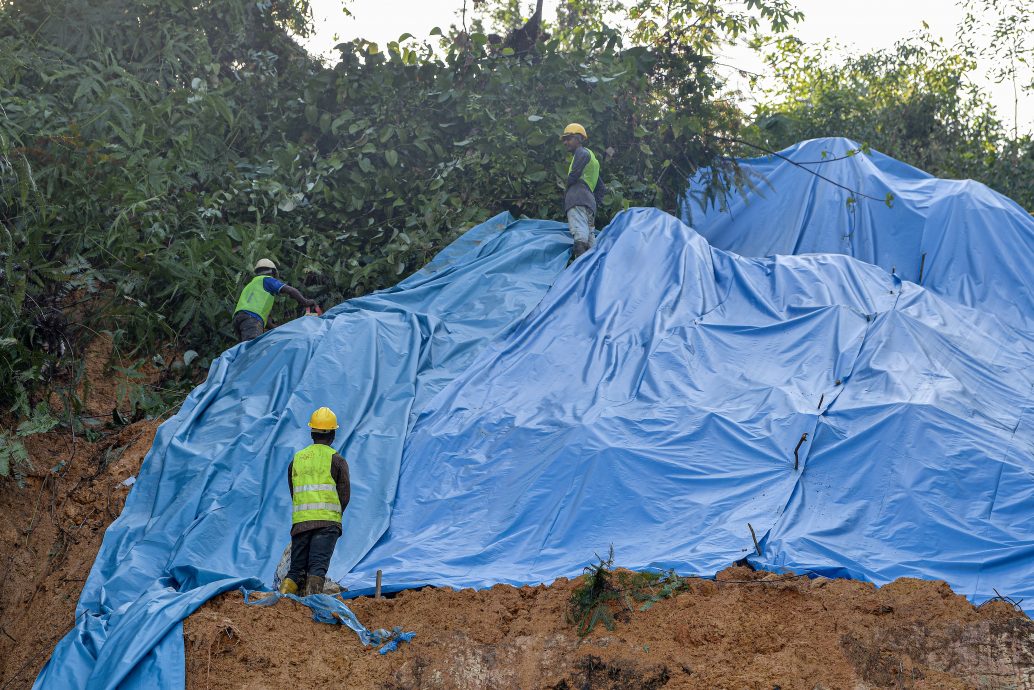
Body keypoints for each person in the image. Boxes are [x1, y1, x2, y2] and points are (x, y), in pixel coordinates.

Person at [279, 407, 350, 597]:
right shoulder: (337, 460)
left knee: (295, 571)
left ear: (312, 433)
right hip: (326, 523)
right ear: (333, 434)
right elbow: (344, 495)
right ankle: (312, 610)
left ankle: (281, 603)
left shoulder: (297, 459)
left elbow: (294, 491)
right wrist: (333, 515)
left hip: (301, 523)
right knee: (316, 569)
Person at [232, 258, 318, 342]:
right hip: (252, 318)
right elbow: (290, 290)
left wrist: (278, 329)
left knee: (244, 349)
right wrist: (305, 302)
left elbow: (265, 320)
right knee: (252, 349)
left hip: (238, 319)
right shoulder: (267, 280)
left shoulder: (251, 285)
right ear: (272, 272)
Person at [560, 123, 606, 261]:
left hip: (577, 199)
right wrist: (592, 202)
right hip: (589, 204)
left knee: (580, 234)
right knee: (591, 241)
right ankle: (590, 270)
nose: (565, 142)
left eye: (569, 138)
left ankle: (578, 270)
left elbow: (574, 175)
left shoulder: (582, 153)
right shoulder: (593, 161)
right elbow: (601, 188)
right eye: (564, 139)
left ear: (579, 139)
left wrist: (567, 192)